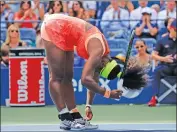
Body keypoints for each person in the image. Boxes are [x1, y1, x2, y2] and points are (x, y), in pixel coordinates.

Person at [40, 14, 148, 130]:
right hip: (53, 26)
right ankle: (64, 117)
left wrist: (88, 105)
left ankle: (75, 115)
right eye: (100, 67)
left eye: (99, 69)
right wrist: (108, 93)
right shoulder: (98, 51)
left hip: (67, 34)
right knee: (57, 76)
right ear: (106, 62)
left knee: (68, 76)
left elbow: (93, 81)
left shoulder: (102, 59)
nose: (98, 67)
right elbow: (85, 80)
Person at [148, 19, 177, 107]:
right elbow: (153, 55)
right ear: (171, 29)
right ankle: (154, 98)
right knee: (156, 71)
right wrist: (164, 58)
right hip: (166, 66)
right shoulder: (162, 40)